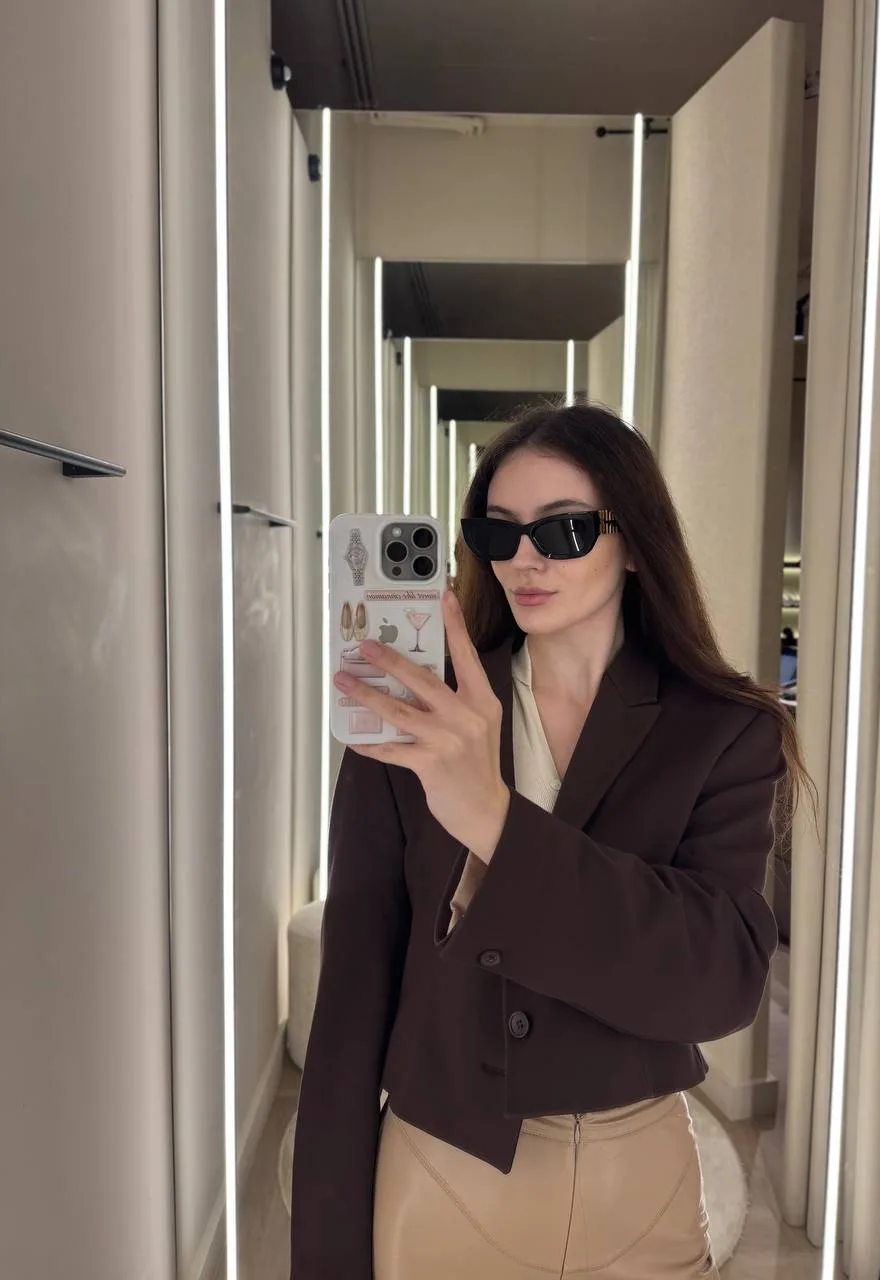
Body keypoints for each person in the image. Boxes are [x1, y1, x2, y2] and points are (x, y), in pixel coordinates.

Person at [291, 403, 814, 1279]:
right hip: (441, 1173)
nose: (523, 560)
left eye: (563, 530)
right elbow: (353, 994)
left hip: (638, 1188)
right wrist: (325, 1255)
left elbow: (719, 983)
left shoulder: (723, 729)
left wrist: (492, 819)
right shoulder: (418, 722)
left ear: (635, 542)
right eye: (497, 532)